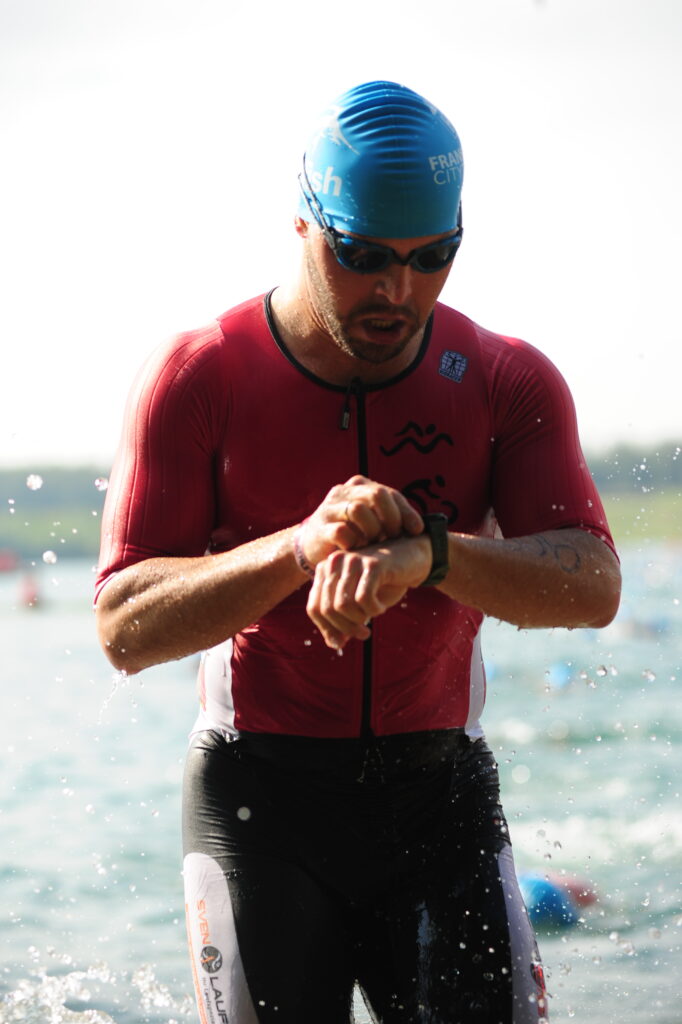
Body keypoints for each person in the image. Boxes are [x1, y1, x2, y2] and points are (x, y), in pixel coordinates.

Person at [95, 80, 621, 1024]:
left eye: (433, 259)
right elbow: (125, 626)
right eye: (364, 256)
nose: (397, 292)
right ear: (303, 225)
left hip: (439, 798)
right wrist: (298, 549)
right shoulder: (197, 376)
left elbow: (591, 585)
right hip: (259, 800)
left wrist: (433, 555)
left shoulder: (507, 380)